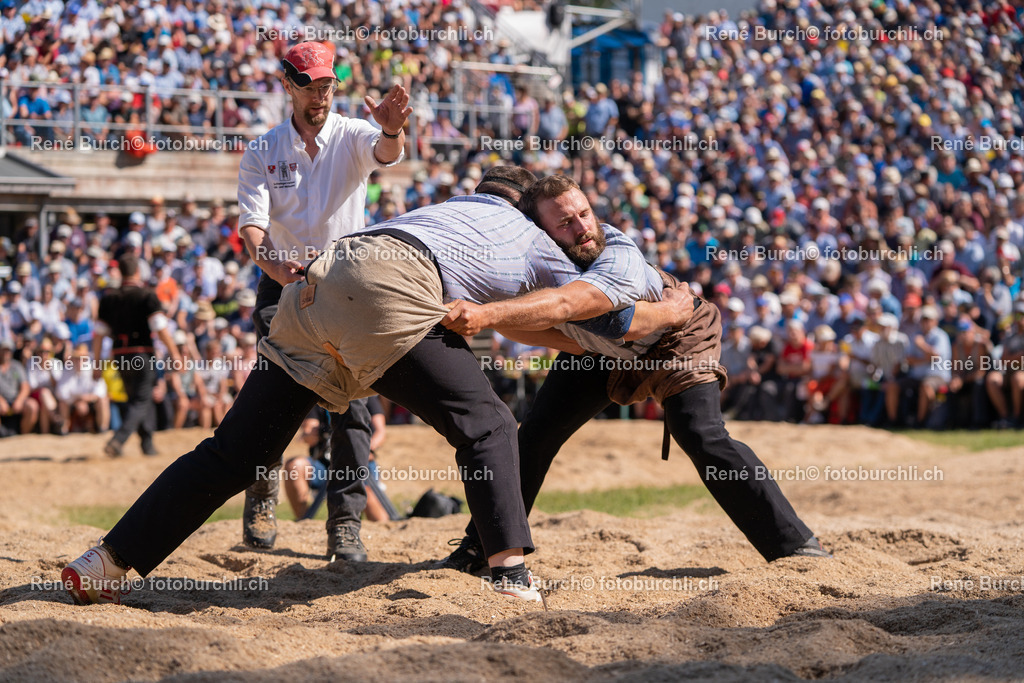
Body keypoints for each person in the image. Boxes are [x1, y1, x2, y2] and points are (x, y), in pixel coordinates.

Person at [62, 166, 691, 607]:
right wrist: (674, 312)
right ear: (530, 211)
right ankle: (509, 570)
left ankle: (106, 562)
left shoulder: (445, 212)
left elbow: (519, 320)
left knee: (234, 454)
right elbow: (602, 315)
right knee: (491, 425)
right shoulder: (531, 236)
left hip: (317, 284)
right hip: (391, 290)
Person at [437, 175, 829, 574]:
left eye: (584, 214)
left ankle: (795, 546)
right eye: (566, 223)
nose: (582, 228)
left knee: (699, 432)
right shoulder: (529, 267)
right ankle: (482, 549)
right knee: (535, 435)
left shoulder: (616, 249)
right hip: (603, 350)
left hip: (675, 333)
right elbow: (564, 338)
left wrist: (673, 311)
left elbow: (620, 324)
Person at [236, 40, 410, 559]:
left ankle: (345, 523)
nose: (321, 95)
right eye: (311, 86)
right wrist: (276, 268)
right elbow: (252, 227)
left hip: (345, 284)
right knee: (278, 400)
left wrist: (392, 128)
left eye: (327, 85)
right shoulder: (263, 149)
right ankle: (262, 485)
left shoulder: (354, 134)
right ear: (287, 85)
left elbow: (385, 153)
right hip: (282, 282)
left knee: (354, 406)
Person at [92, 253, 181, 457]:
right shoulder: (146, 295)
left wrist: (97, 363)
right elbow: (160, 327)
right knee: (141, 400)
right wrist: (175, 353)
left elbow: (98, 335)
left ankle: (147, 445)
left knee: (136, 401)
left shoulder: (108, 298)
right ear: (138, 271)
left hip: (119, 355)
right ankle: (118, 440)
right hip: (142, 353)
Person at [282, 397, 388, 522]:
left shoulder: (366, 396)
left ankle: (383, 531)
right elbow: (309, 435)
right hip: (325, 465)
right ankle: (304, 522)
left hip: (359, 463)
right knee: (294, 466)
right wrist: (316, 432)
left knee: (366, 495)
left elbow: (380, 432)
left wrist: (365, 448)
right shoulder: (319, 397)